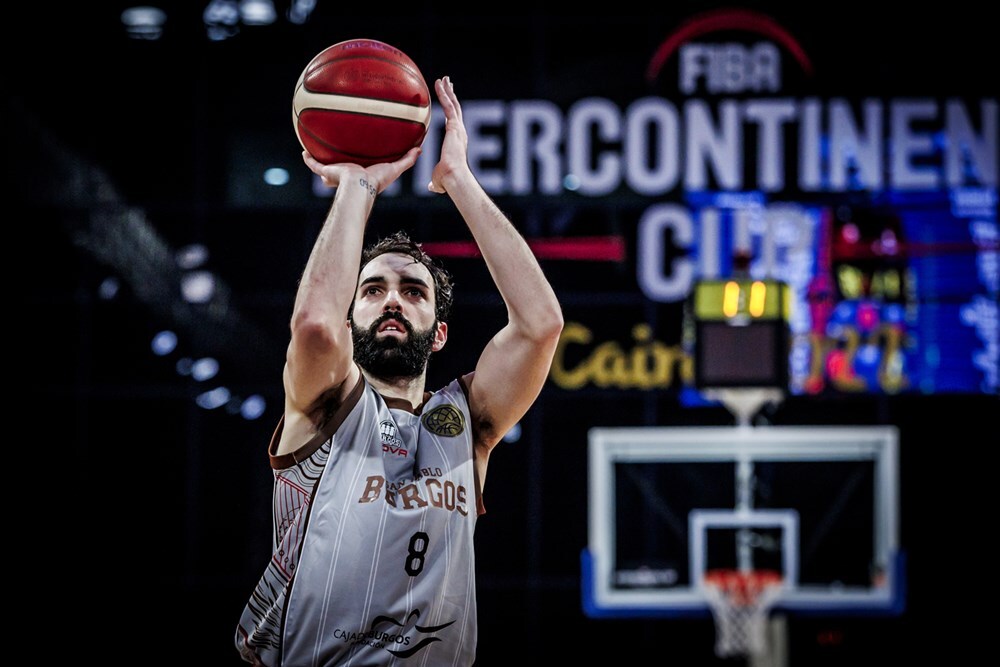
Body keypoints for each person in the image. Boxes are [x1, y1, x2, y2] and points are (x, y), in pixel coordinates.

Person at [234, 75, 564, 666]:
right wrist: (358, 187)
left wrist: (459, 182)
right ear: (351, 318)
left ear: (439, 332)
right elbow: (313, 325)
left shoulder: (467, 421)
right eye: (373, 289)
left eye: (413, 291)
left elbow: (541, 325)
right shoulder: (326, 401)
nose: (392, 299)